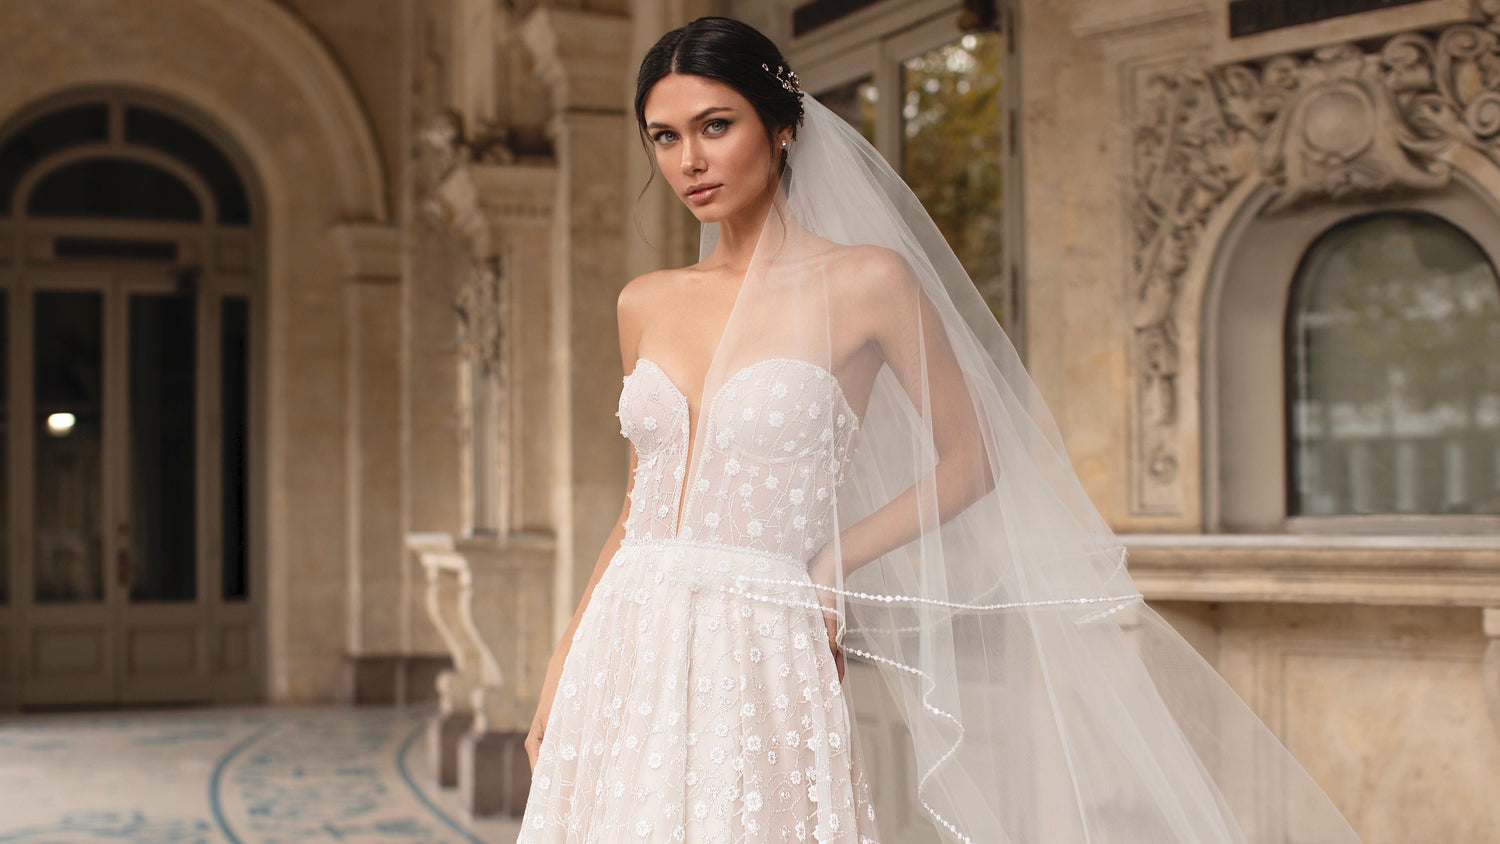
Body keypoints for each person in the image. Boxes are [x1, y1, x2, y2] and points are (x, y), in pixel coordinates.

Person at [518, 16, 1365, 844]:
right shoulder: (645, 300)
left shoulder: (865, 282)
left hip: (762, 642)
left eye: (714, 126)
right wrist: (562, 664)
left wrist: (833, 562)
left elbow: (977, 457)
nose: (689, 161)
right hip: (625, 640)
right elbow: (640, 510)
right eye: (663, 138)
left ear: (780, 127)